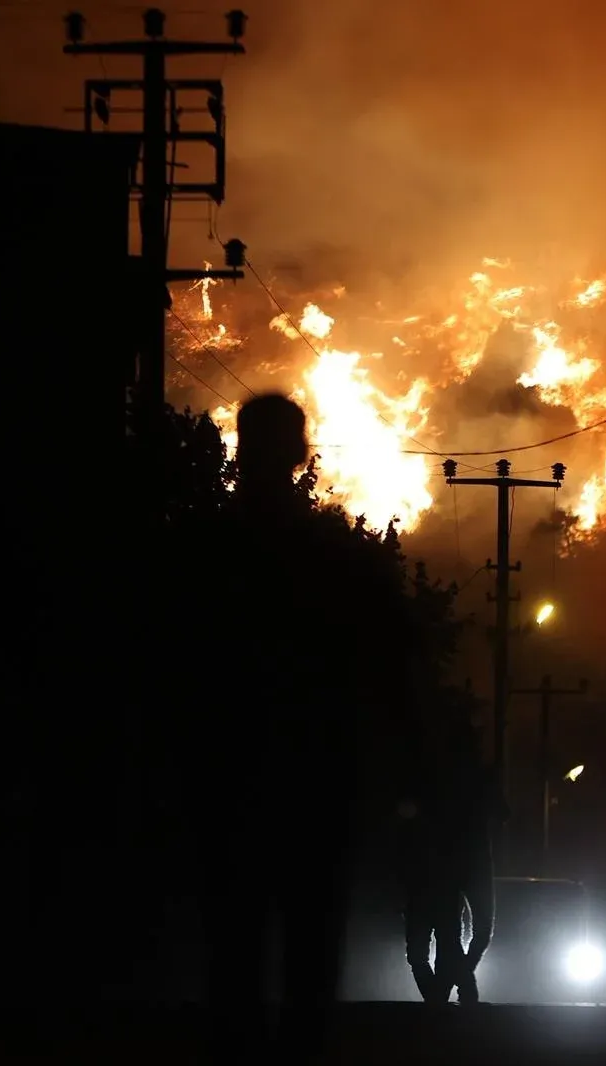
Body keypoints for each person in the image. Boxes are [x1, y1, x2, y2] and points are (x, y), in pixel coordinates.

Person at [188, 394, 416, 1064]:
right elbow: (392, 668)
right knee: (310, 962)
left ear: (240, 447)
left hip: (226, 781)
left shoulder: (202, 552)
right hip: (315, 785)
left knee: (233, 956)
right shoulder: (334, 556)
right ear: (297, 454)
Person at [400, 707, 504, 1005]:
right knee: (463, 932)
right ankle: (457, 985)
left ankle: (452, 985)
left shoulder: (441, 777)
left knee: (451, 933)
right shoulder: (474, 777)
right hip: (466, 862)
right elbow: (502, 813)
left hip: (452, 862)